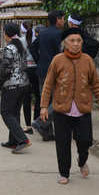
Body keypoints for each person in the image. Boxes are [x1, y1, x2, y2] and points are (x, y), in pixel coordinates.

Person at [40, 27, 99, 184]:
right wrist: (44, 106)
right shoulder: (57, 60)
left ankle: (82, 160)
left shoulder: (88, 60)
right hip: (62, 109)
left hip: (83, 108)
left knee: (85, 140)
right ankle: (64, 173)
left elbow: (96, 84)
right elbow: (48, 85)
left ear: (82, 43)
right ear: (65, 43)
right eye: (72, 41)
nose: (75, 44)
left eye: (78, 41)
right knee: (62, 143)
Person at [0, 22, 31, 154]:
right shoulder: (21, 47)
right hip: (23, 83)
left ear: (7, 34)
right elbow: (24, 66)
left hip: (12, 85)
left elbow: (5, 70)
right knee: (14, 113)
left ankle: (23, 140)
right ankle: (14, 141)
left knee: (6, 113)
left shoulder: (9, 49)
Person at [29, 10, 65, 141]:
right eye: (63, 19)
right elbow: (61, 54)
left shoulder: (42, 33)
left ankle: (47, 133)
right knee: (59, 100)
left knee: (46, 100)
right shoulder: (59, 35)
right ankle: (40, 122)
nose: (64, 21)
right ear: (57, 19)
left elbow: (33, 48)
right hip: (55, 73)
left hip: (42, 71)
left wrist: (40, 61)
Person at [22, 22, 43, 135]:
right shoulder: (38, 39)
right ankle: (37, 122)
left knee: (26, 98)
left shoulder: (20, 41)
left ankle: (28, 126)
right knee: (39, 96)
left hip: (25, 70)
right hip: (37, 70)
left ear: (22, 30)